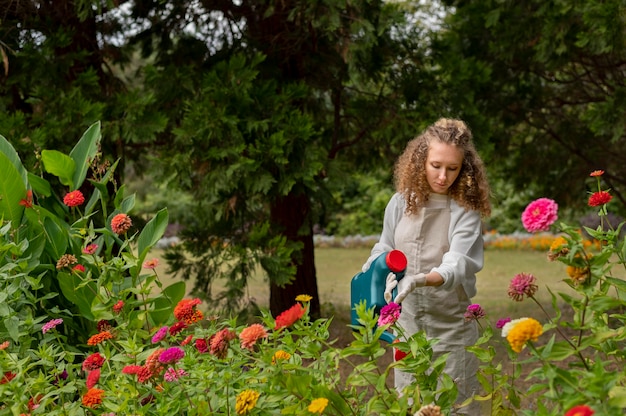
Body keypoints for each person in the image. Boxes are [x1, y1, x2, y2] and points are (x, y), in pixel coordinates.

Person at [361, 118, 491, 415]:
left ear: (464, 168)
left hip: (452, 329)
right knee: (412, 405)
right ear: (420, 160)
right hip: (407, 328)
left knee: (457, 406)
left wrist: (417, 280)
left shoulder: (466, 212)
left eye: (452, 168)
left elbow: (455, 264)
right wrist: (374, 265)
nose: (443, 176)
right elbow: (385, 245)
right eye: (436, 165)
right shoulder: (399, 202)